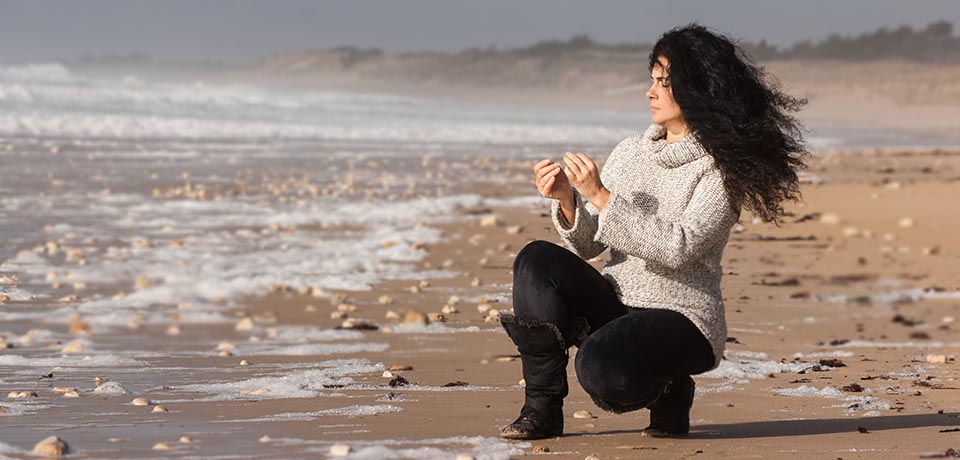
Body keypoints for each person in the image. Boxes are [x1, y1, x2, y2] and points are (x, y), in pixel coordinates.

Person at [498, 23, 809, 440]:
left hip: (683, 319)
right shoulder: (631, 152)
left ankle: (671, 385)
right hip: (619, 302)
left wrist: (604, 197)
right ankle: (541, 410)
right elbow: (589, 244)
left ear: (698, 89)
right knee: (535, 259)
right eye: (652, 80)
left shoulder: (721, 170)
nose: (651, 92)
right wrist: (569, 200)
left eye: (664, 83)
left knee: (599, 371)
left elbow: (680, 247)